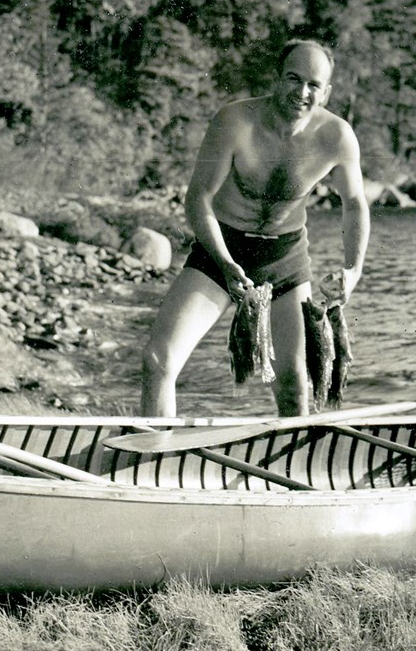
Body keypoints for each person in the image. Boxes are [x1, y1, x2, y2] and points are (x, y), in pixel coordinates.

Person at [139, 40, 370, 418]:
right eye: (293, 79)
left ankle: (295, 471)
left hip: (285, 260)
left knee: (294, 387)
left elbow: (355, 203)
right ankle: (152, 458)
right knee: (157, 361)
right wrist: (225, 262)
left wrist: (354, 268)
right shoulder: (235, 121)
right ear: (277, 79)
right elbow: (199, 197)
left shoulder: (337, 137)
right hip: (220, 251)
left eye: (314, 85)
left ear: (326, 92)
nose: (302, 92)